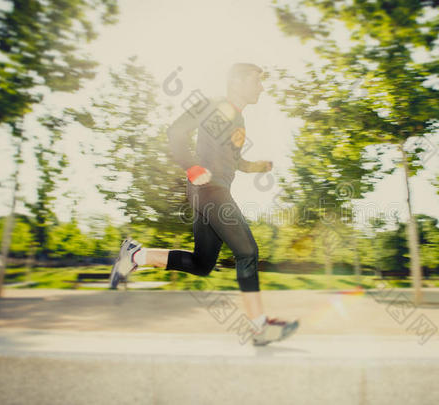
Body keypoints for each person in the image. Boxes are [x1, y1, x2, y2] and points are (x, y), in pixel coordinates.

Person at [108, 63, 298, 346]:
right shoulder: (209, 104)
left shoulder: (240, 121)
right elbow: (175, 133)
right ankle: (259, 328)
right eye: (256, 80)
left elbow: (236, 162)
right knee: (247, 251)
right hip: (208, 189)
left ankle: (135, 255)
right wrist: (192, 166)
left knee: (202, 263)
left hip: (211, 192)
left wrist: (257, 166)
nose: (261, 86)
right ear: (237, 81)